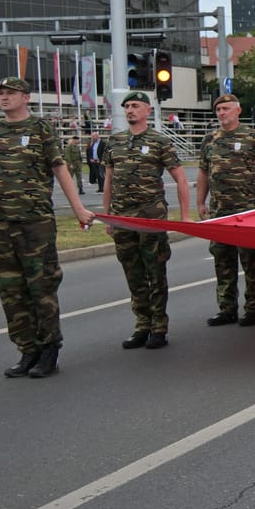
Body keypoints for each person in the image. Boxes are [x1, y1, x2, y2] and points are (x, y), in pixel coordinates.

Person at [0, 77, 94, 378]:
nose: (4, 98)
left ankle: (49, 348)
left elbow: (59, 168)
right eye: (0, 93)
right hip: (0, 223)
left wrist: (78, 207)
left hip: (35, 222)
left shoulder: (41, 129)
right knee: (9, 288)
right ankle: (27, 350)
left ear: (25, 97)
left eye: (10, 93)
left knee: (41, 286)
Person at [103, 91, 191, 350]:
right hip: (122, 219)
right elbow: (108, 181)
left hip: (150, 218)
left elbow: (181, 180)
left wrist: (185, 216)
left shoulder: (159, 141)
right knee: (133, 274)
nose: (130, 110)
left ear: (147, 111)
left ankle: (159, 327)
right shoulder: (115, 142)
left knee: (155, 272)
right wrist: (108, 216)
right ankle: (142, 324)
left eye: (135, 106)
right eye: (127, 106)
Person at [196, 94, 255, 327]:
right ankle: (227, 309)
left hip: (247, 212)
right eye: (218, 110)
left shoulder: (251, 136)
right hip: (220, 212)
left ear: (237, 111)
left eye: (226, 109)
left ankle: (253, 309)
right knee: (222, 262)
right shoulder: (210, 139)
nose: (222, 113)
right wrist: (200, 202)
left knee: (251, 262)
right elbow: (203, 171)